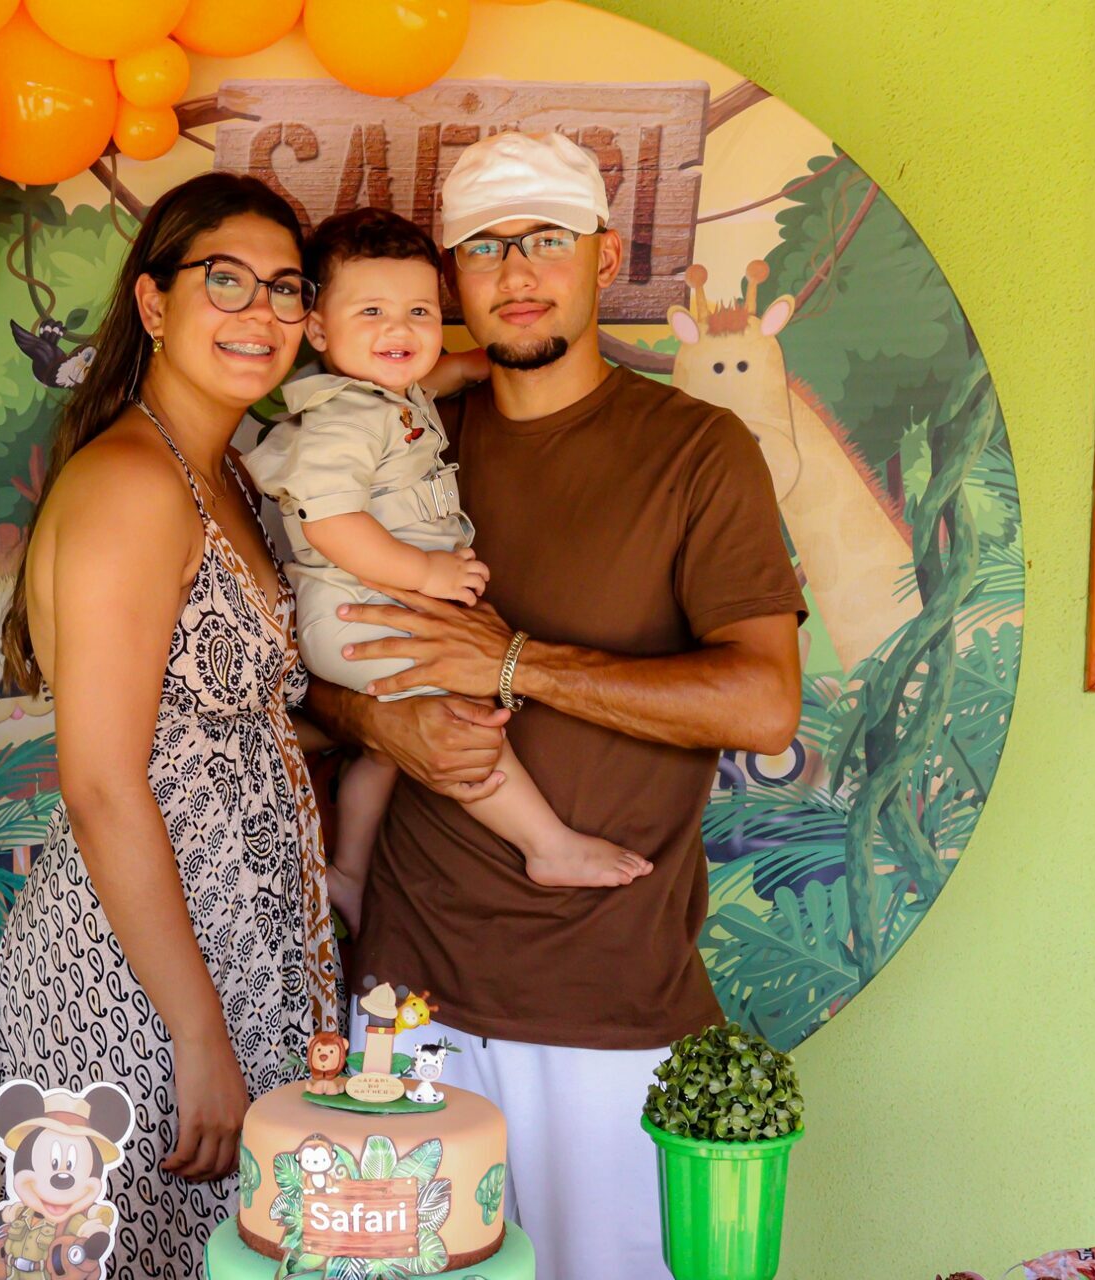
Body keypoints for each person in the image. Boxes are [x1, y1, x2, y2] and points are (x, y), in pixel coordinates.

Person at [302, 130, 807, 1279]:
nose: (517, 271)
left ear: (605, 256)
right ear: (452, 277)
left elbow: (764, 704)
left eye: (545, 240)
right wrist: (380, 722)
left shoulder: (696, 450)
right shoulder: (402, 433)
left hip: (606, 1002)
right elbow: (301, 660)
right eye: (485, 248)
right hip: (407, 1002)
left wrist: (516, 663)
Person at [0, 172, 341, 1280]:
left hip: (233, 954)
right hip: (132, 984)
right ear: (154, 302)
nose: (261, 311)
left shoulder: (226, 477)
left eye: (286, 287)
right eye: (226, 280)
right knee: (105, 1254)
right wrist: (197, 1032)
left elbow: (230, 726)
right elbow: (101, 784)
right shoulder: (134, 482)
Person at [244, 207, 652, 932]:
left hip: (377, 604)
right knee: (460, 715)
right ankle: (545, 843)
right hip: (357, 610)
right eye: (371, 312)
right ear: (319, 330)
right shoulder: (342, 420)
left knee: (386, 752)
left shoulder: (391, 393)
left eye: (420, 312)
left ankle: (349, 870)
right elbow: (330, 522)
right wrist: (426, 575)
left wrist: (486, 361)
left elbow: (444, 372)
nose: (398, 330)